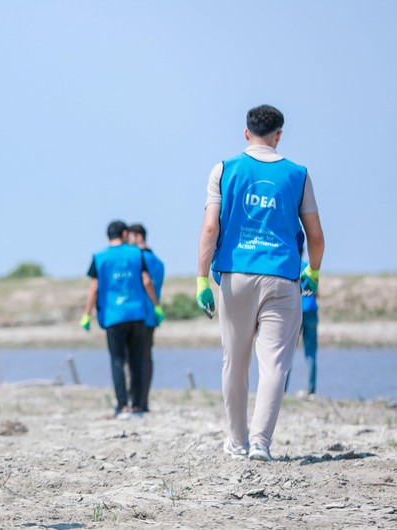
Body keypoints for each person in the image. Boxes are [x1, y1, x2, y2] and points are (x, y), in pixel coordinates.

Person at [195, 104, 325, 463]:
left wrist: (201, 280)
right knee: (274, 365)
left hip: (235, 276)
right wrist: (313, 272)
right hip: (283, 278)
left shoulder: (224, 169)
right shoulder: (298, 174)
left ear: (246, 132)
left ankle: (236, 443)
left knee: (234, 362)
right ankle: (260, 444)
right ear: (279, 135)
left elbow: (210, 228)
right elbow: (315, 236)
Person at [80, 221, 163, 419]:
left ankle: (122, 407)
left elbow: (94, 288)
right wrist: (156, 305)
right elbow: (146, 281)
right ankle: (137, 408)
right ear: (124, 233)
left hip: (113, 316)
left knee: (118, 361)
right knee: (136, 360)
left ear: (108, 236)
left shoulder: (99, 257)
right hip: (137, 314)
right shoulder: (137, 254)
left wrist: (86, 314)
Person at [127, 224, 165, 412]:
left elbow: (144, 282)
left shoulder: (136, 259)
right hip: (152, 316)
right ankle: (144, 400)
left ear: (138, 236)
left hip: (137, 314)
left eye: (130, 237)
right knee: (146, 358)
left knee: (131, 359)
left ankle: (133, 401)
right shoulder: (158, 261)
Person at [285, 258, 319, 395]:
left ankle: (283, 389)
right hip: (311, 311)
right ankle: (311, 389)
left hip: (294, 311)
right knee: (311, 353)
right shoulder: (310, 266)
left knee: (287, 354)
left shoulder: (289, 264)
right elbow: (317, 292)